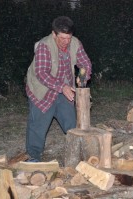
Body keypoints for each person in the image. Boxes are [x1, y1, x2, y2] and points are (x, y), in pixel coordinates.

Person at [25, 16, 92, 162]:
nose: (66, 42)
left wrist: (84, 75)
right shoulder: (44, 46)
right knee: (38, 126)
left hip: (64, 90)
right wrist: (62, 86)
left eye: (68, 38)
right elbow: (41, 73)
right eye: (62, 38)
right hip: (42, 91)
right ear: (54, 34)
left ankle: (78, 155)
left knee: (71, 124)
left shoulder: (75, 43)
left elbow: (85, 62)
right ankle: (33, 156)